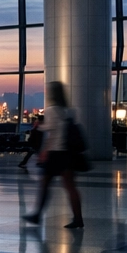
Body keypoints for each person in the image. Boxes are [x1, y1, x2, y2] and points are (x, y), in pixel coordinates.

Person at [23, 82, 84, 229]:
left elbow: (51, 132)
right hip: (68, 153)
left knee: (44, 184)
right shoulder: (70, 111)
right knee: (71, 187)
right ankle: (78, 218)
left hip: (55, 153)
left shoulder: (51, 110)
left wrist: (39, 126)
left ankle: (37, 215)